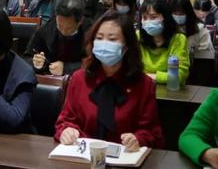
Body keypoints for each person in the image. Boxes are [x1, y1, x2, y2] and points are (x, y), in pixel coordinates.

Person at [54, 11, 165, 149]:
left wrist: (138, 139)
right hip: (83, 154)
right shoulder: (79, 79)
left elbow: (152, 132)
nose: (104, 44)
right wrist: (66, 131)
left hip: (124, 155)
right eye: (99, 38)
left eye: (112, 39)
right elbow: (65, 121)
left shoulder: (144, 84)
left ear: (126, 46)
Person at [26, 0, 92, 76]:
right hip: (50, 78)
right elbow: (27, 57)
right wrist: (37, 63)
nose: (63, 32)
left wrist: (67, 69)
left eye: (69, 28)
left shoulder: (90, 32)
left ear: (80, 21)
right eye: (60, 26)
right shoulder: (47, 28)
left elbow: (94, 64)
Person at [138, 0, 189, 85]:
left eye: (153, 17)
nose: (148, 22)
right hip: (144, 88)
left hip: (171, 90)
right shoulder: (138, 37)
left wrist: (148, 77)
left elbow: (179, 76)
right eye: (144, 18)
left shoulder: (178, 39)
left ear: (166, 17)